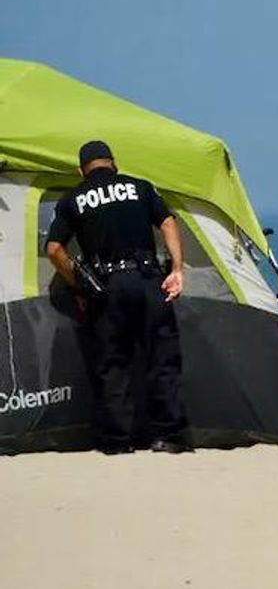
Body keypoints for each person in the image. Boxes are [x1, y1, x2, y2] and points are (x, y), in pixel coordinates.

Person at [44, 140, 189, 454]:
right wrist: (176, 269)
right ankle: (170, 437)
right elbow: (167, 221)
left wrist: (80, 285)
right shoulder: (141, 187)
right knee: (162, 359)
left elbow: (54, 249)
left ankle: (117, 441)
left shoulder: (73, 199)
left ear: (81, 171)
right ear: (115, 164)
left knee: (112, 364)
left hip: (108, 288)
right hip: (150, 280)